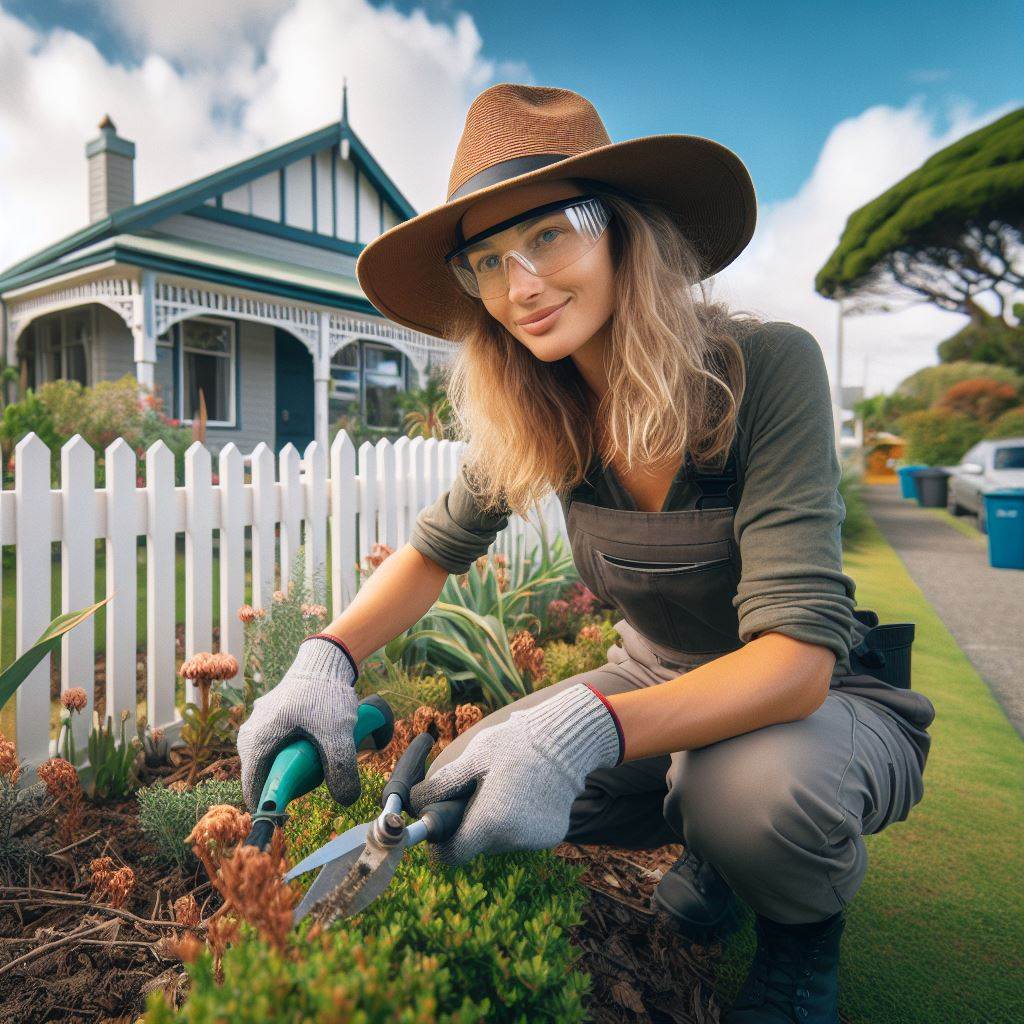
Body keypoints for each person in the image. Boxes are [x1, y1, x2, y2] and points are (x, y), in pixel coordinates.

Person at [238, 84, 937, 1023]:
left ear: (624, 232)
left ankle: (798, 941)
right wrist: (326, 659)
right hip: (653, 679)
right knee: (473, 780)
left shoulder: (766, 370)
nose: (520, 286)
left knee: (747, 793)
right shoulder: (545, 405)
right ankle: (709, 839)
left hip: (815, 700)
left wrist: (583, 734)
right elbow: (433, 553)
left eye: (550, 235)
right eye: (486, 261)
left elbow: (797, 663)